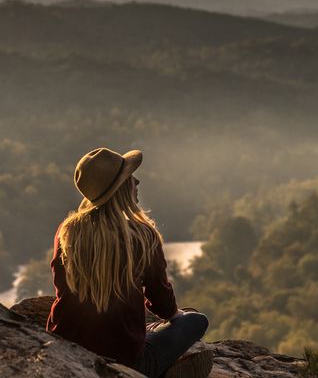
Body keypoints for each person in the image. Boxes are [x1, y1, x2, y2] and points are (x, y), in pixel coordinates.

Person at [46, 147, 212, 378]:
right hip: (125, 363)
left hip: (66, 352)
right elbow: (160, 299)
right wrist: (175, 316)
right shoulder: (142, 236)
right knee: (195, 320)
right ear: (120, 189)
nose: (137, 181)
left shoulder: (68, 232)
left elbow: (61, 286)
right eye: (130, 177)